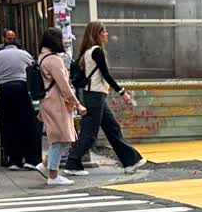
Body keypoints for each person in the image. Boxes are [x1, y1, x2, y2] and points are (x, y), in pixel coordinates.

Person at [62, 23, 147, 173]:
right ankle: (72, 162)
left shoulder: (87, 51)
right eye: (104, 31)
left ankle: (130, 161)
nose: (107, 34)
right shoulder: (96, 51)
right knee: (89, 133)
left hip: (95, 95)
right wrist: (122, 92)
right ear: (97, 34)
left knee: (112, 128)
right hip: (95, 96)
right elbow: (106, 75)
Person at [0, 29, 42, 171]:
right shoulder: (25, 54)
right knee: (27, 124)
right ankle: (31, 159)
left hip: (4, 90)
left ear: (4, 41)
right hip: (22, 89)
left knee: (8, 125)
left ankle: (13, 160)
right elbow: (34, 70)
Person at [35, 27, 81, 185]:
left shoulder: (42, 57)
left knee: (62, 137)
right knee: (60, 139)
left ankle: (45, 165)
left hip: (48, 101)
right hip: (56, 102)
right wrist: (77, 103)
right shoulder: (54, 60)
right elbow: (64, 85)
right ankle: (53, 176)